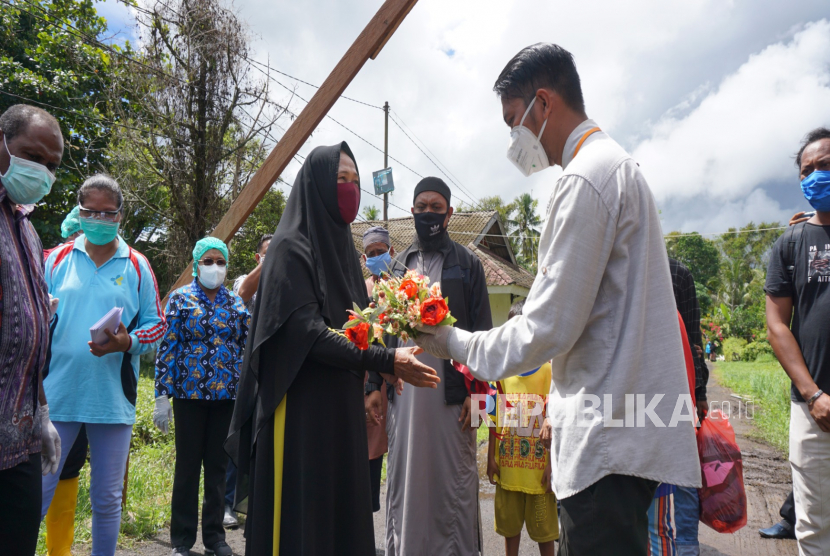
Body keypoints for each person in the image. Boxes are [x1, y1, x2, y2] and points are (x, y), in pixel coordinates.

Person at [415, 43, 701, 556]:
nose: (513, 139)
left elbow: (546, 327)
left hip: (606, 445)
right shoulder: (616, 167)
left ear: (542, 104)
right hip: (625, 431)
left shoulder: (586, 179)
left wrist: (447, 341)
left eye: (512, 121)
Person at [225, 142, 440, 556]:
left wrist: (372, 379)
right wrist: (384, 359)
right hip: (301, 409)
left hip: (340, 404)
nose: (350, 189)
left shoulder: (340, 245)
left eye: (356, 181)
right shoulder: (291, 247)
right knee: (304, 519)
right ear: (317, 184)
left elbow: (355, 327)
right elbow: (309, 333)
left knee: (337, 515)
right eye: (341, 179)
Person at [41, 174, 164, 556]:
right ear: (79, 212)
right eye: (91, 211)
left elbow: (156, 324)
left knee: (108, 499)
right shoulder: (55, 259)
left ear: (120, 216)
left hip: (111, 399)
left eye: (108, 213)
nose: (99, 218)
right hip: (56, 395)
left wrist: (127, 342)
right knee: (38, 492)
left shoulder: (138, 264)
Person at [376, 176, 493, 556]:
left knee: (452, 484)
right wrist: (371, 388)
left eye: (436, 208)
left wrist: (478, 400)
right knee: (407, 482)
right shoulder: (398, 266)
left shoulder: (468, 265)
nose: (428, 214)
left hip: (452, 398)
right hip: (404, 397)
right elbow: (381, 335)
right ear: (411, 212)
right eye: (421, 207)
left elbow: (483, 334)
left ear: (449, 213)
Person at [154, 237, 249, 556]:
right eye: (208, 261)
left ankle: (215, 538)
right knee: (188, 467)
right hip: (188, 396)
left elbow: (246, 347)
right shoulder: (180, 299)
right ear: (196, 265)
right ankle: (182, 539)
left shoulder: (236, 303)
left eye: (220, 261)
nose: (215, 267)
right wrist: (161, 395)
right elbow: (168, 346)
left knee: (218, 468)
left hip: (226, 398)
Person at [0, 104, 64, 554]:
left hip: (19, 437)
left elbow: (33, 329)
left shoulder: (25, 228)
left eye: (52, 165)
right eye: (31, 155)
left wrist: (40, 412)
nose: (41, 170)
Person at [765, 128, 830, 555]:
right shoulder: (790, 244)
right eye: (807, 171)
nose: (815, 177)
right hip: (815, 411)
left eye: (824, 166)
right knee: (814, 527)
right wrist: (814, 394)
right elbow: (777, 326)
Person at [487, 299, 557, 556]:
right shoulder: (502, 374)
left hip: (539, 476)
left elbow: (554, 425)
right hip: (508, 471)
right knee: (510, 531)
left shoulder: (550, 374)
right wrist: (490, 458)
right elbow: (494, 418)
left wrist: (552, 466)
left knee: (545, 534)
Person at [43, 205, 88, 556]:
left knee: (69, 469)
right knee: (39, 473)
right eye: (78, 234)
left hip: (87, 391)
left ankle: (60, 550)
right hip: (45, 391)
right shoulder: (50, 264)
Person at [222, 233, 272, 529]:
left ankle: (262, 505)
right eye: (267, 253)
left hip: (275, 374)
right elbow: (240, 294)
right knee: (238, 438)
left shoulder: (291, 277)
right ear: (257, 258)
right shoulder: (246, 278)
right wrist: (267, 265)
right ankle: (228, 504)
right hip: (244, 376)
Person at [361, 226, 397, 515]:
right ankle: (367, 511)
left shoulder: (406, 287)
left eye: (380, 252)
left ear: (391, 251)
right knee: (370, 448)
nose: (376, 258)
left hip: (400, 379)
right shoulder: (360, 289)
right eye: (370, 254)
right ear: (364, 258)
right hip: (369, 381)